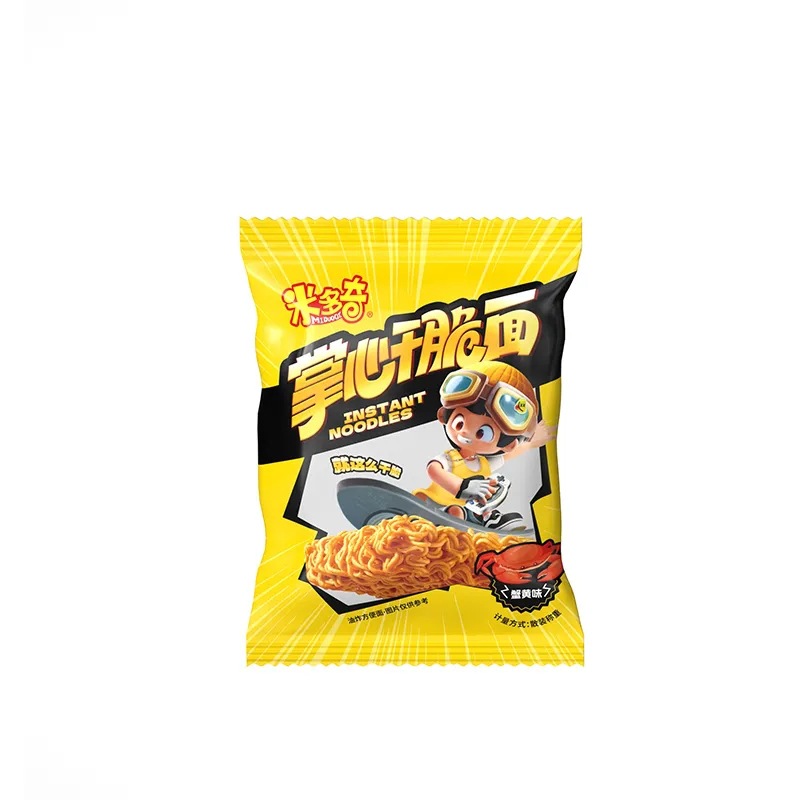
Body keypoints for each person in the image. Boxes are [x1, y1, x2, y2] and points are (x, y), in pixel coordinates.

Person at [413, 361, 555, 530]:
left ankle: (488, 519)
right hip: (436, 505)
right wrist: (462, 487)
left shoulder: (484, 464)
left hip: (467, 512)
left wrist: (532, 444)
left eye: (483, 433)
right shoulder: (451, 458)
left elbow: (507, 457)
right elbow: (433, 469)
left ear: (508, 444)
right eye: (459, 423)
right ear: (443, 415)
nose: (466, 432)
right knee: (456, 511)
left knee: (474, 505)